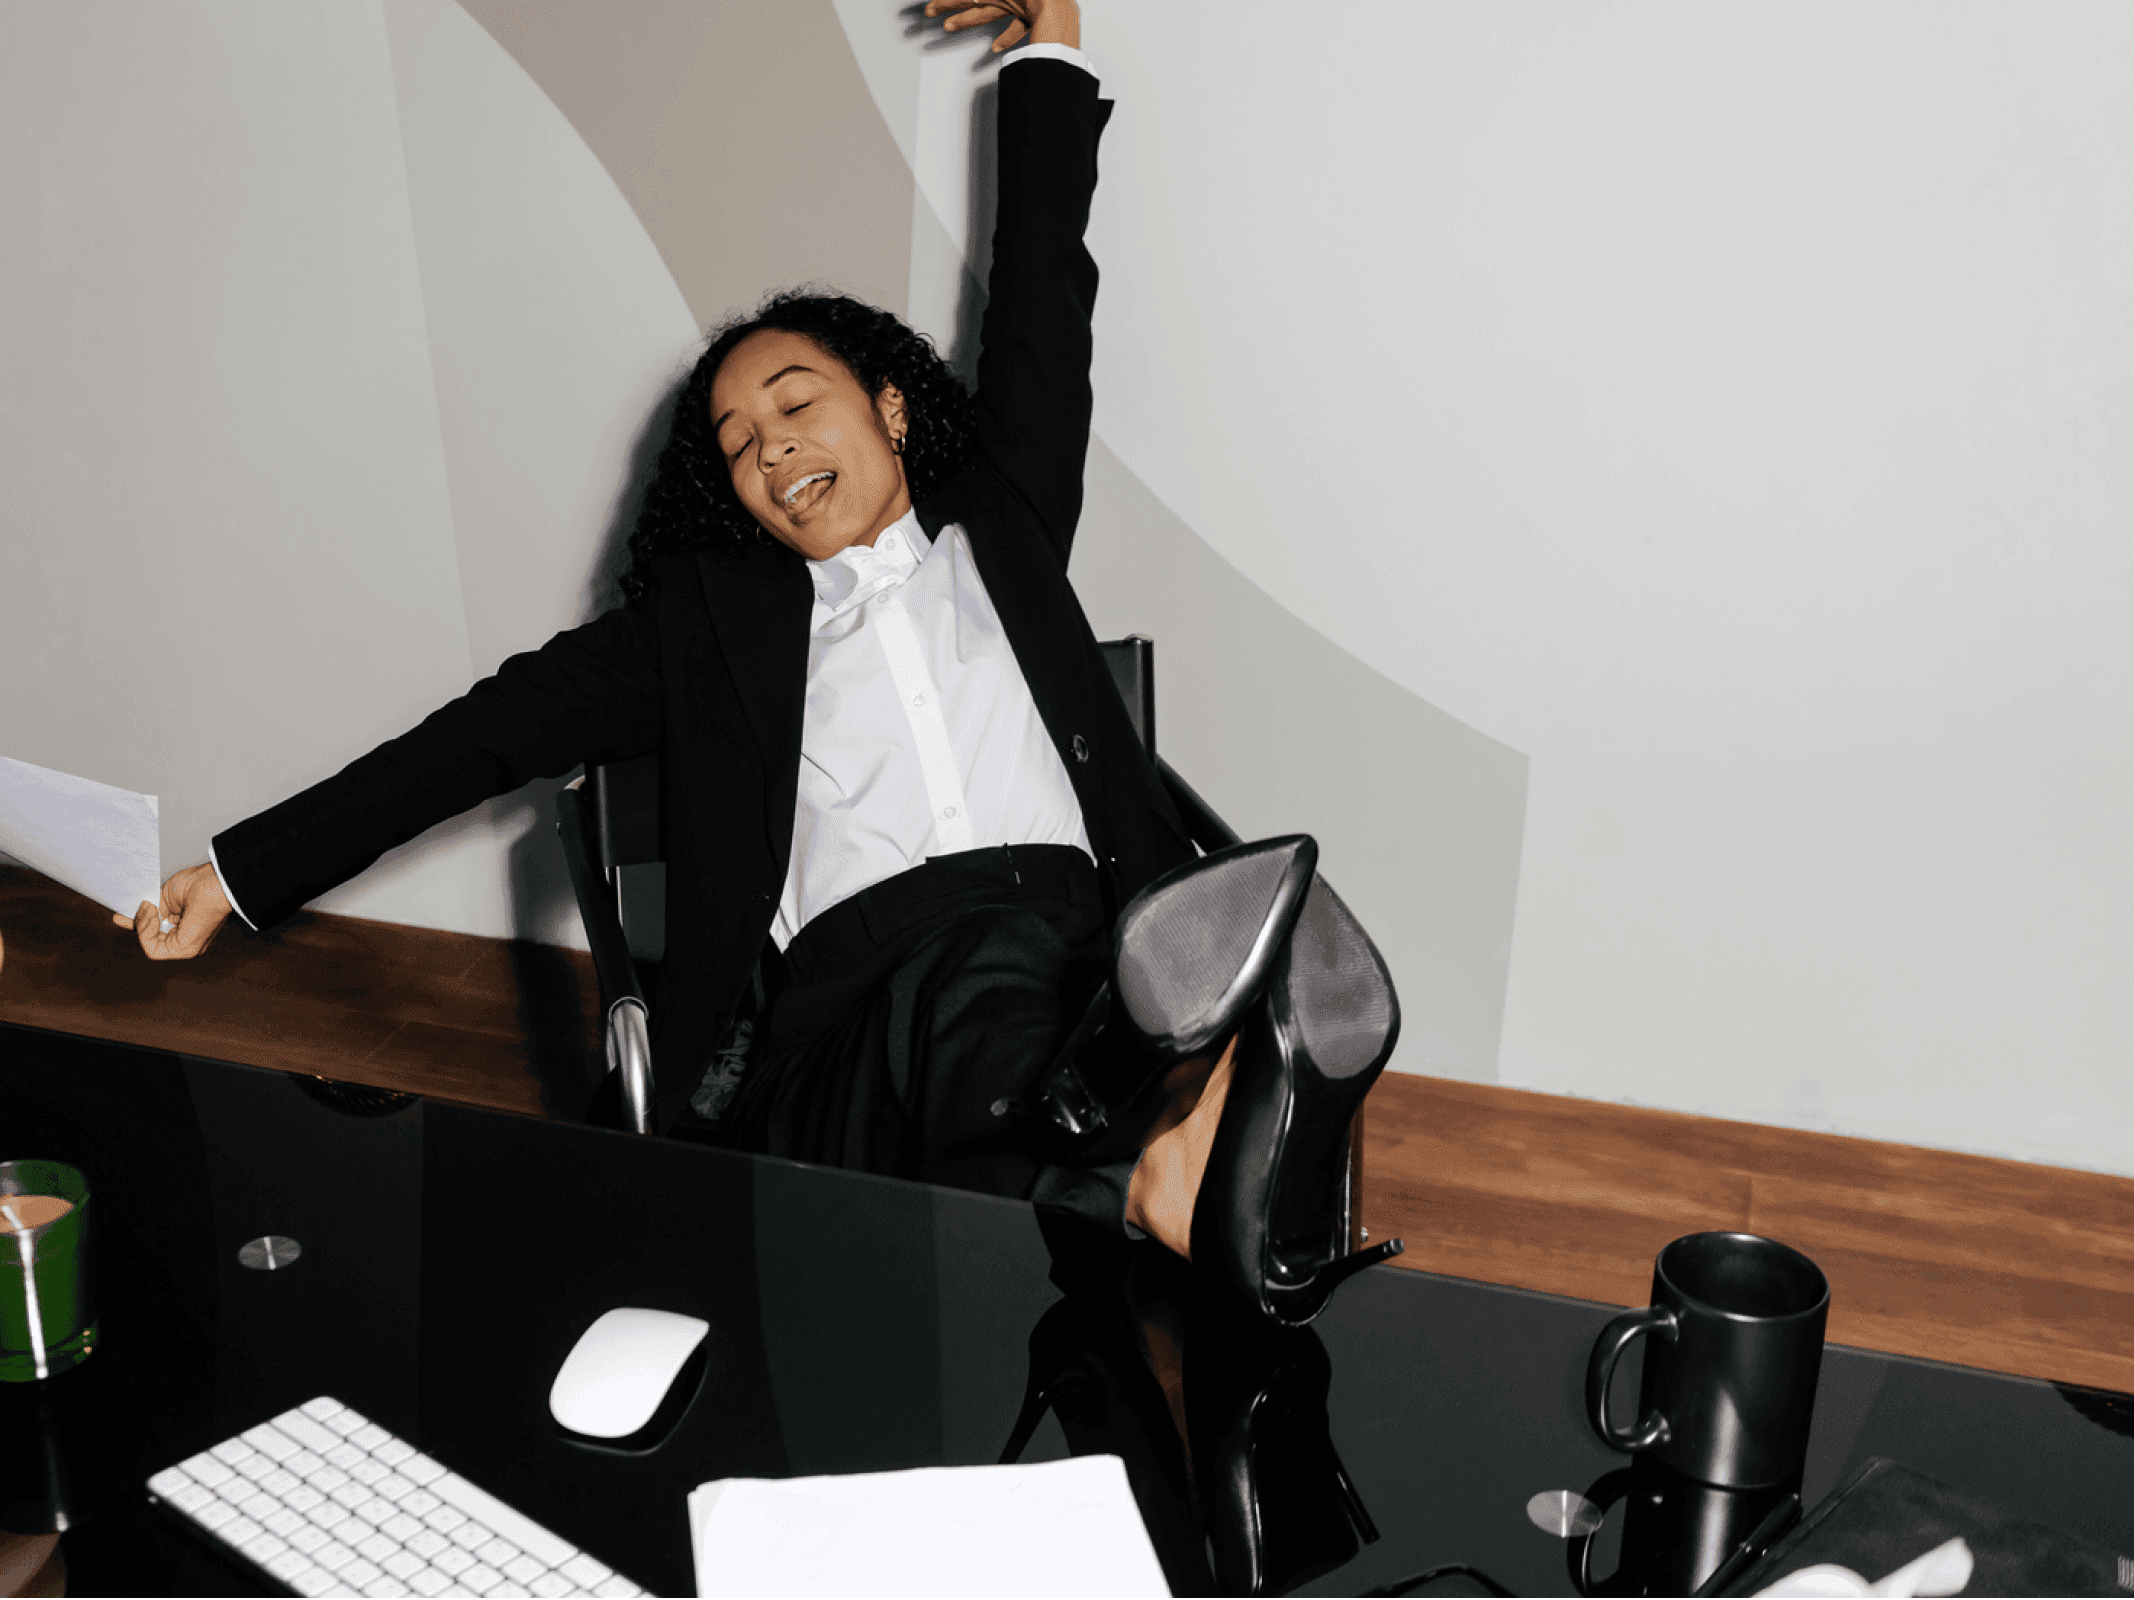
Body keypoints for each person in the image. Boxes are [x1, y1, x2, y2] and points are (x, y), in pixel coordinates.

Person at [118, 0, 1399, 1325]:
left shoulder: (1004, 522)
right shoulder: (701, 632)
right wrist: (238, 874)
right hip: (851, 1022)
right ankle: (1171, 1163)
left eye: (795, 404)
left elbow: (1039, 295)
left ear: (889, 409)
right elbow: (473, 740)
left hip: (1094, 968)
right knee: (976, 982)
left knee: (1040, 1133)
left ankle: (1144, 1184)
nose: (771, 446)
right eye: (737, 443)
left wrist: (1049, 44)